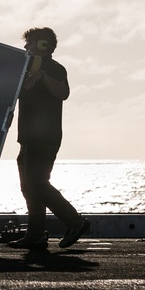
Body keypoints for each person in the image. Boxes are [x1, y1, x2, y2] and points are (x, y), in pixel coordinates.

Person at [16, 27, 88, 251]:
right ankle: (36, 234)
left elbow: (63, 93)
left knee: (37, 182)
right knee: (28, 186)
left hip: (45, 137)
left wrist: (43, 76)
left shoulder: (55, 68)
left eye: (30, 42)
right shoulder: (25, 70)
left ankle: (74, 221)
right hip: (27, 137)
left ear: (43, 45)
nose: (26, 46)